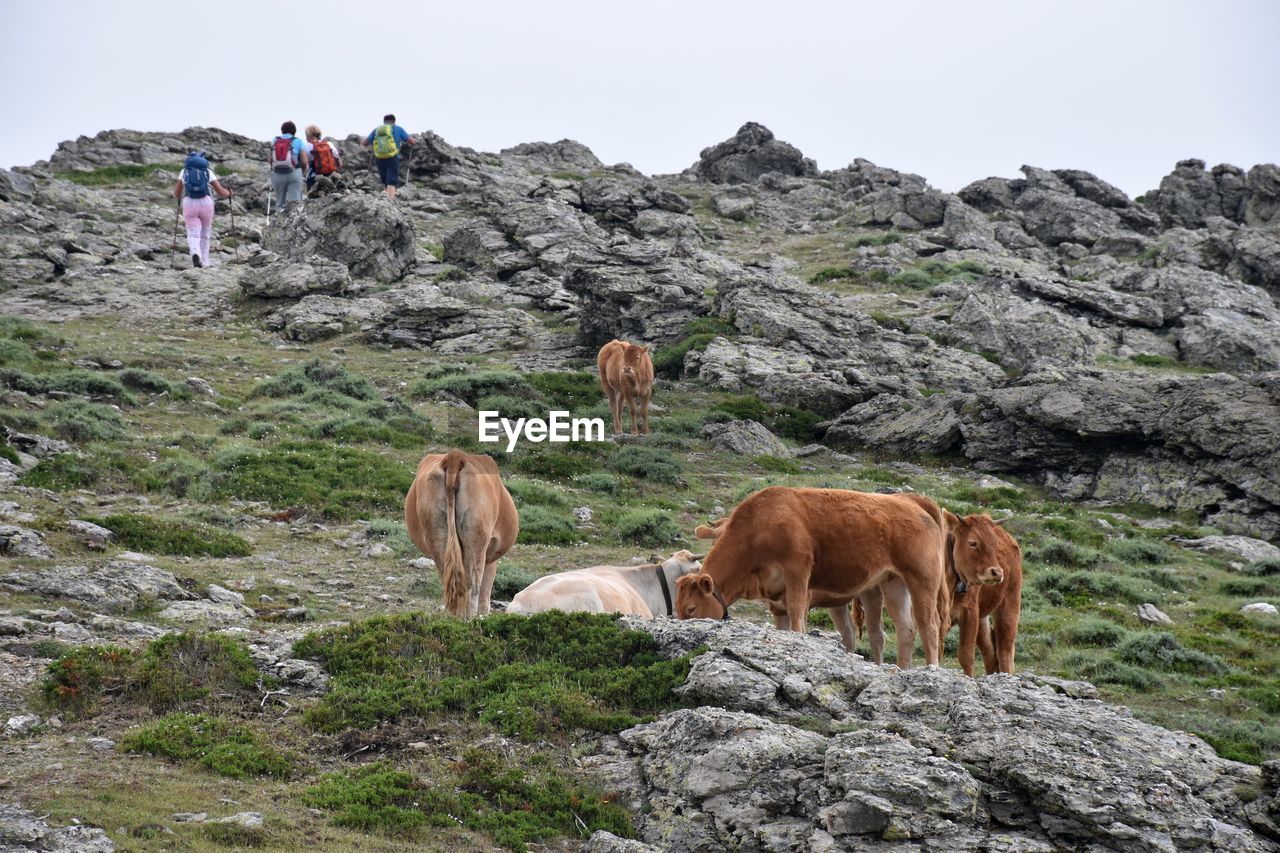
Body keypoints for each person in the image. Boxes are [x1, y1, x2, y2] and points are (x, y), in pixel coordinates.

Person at [173, 151, 232, 268]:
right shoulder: (207, 172)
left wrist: (179, 198)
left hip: (189, 203)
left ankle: (195, 254)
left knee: (193, 233)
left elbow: (177, 193)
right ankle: (205, 262)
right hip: (206, 203)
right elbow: (221, 192)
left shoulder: (184, 172)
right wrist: (229, 193)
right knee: (205, 234)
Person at [362, 113, 411, 198]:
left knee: (384, 180)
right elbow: (411, 141)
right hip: (393, 157)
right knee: (391, 180)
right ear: (394, 121)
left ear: (384, 121)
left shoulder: (377, 130)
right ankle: (390, 201)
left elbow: (365, 143)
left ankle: (385, 198)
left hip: (379, 157)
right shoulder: (398, 129)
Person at [269, 121, 309, 210]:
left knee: (279, 203)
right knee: (294, 203)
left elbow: (270, 159)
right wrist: (301, 172)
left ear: (282, 130)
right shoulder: (298, 141)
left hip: (277, 174)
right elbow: (304, 161)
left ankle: (279, 222)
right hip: (294, 173)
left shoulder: (275, 140)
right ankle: (293, 223)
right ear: (294, 131)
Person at [304, 124, 343, 197]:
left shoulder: (307, 146)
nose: (306, 138)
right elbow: (340, 163)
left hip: (313, 177)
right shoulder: (329, 144)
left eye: (306, 135)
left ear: (309, 136)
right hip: (330, 177)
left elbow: (304, 163)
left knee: (312, 203)